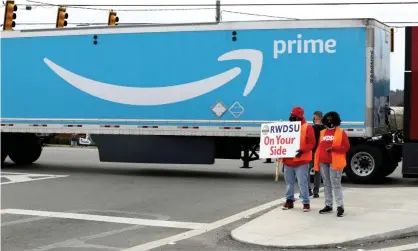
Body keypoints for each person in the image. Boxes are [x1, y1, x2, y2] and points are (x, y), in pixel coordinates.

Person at [313, 111, 350, 217]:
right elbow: (320, 147)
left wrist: (334, 148)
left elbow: (346, 147)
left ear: (335, 120)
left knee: (336, 184)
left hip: (335, 162)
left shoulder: (341, 132)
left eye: (331, 119)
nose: (329, 121)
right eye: (327, 119)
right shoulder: (323, 132)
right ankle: (328, 205)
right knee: (326, 184)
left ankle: (340, 206)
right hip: (323, 161)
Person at [282, 106, 316, 212]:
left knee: (303, 183)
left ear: (299, 117)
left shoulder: (307, 127)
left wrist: (303, 150)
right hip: (288, 160)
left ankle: (306, 202)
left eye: (293, 116)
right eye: (291, 115)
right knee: (289, 182)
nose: (291, 117)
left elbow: (312, 143)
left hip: (301, 160)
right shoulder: (287, 127)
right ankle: (289, 201)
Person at [309, 111, 325, 198]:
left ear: (315, 118)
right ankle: (316, 192)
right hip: (320, 153)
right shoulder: (325, 129)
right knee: (317, 172)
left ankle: (308, 190)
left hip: (312, 152)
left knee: (306, 171)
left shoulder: (312, 128)